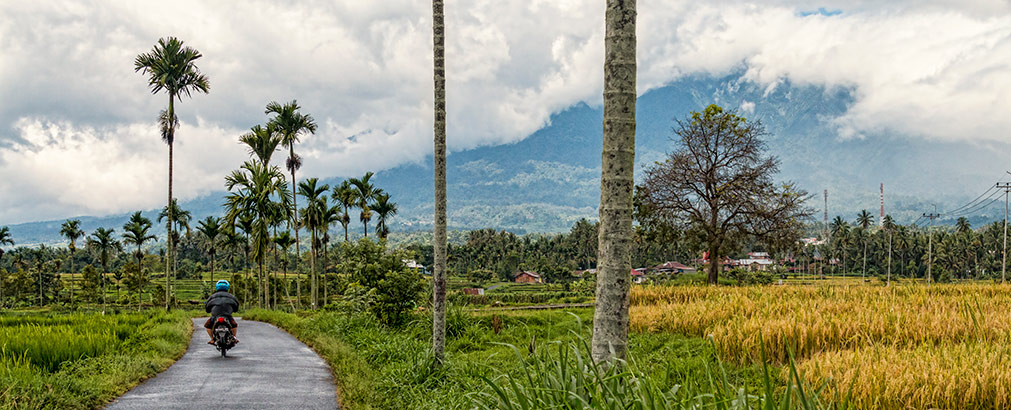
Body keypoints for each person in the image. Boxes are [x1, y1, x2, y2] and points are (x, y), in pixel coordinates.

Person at [204, 279, 239, 344]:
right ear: (227, 287)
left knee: (207, 325)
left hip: (215, 317)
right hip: (228, 316)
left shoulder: (212, 297)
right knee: (234, 325)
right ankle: (234, 337)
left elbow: (207, 308)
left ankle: (212, 339)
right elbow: (236, 307)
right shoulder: (231, 296)